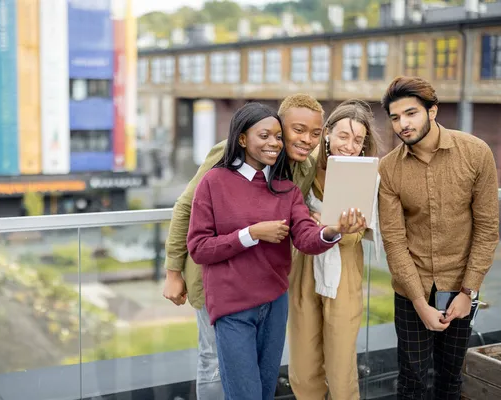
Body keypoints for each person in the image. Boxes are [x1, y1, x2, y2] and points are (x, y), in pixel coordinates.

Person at [186, 102, 366, 400]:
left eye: (278, 137)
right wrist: (251, 234)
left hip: (274, 303)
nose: (274, 143)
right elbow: (199, 248)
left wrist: (333, 231)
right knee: (245, 394)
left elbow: (306, 238)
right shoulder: (213, 182)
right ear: (242, 139)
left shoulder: (287, 188)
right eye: (264, 136)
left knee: (266, 390)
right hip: (233, 306)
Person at [162, 93, 324, 399]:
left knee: (256, 370)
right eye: (297, 130)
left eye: (315, 134)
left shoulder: (303, 167)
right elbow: (186, 207)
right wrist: (173, 271)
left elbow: (295, 211)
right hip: (217, 276)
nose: (306, 140)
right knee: (214, 360)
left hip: (264, 283)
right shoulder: (229, 155)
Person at [378, 76, 499, 399]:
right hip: (411, 289)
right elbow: (393, 241)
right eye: (395, 117)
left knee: (451, 379)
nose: (402, 124)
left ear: (432, 111)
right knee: (412, 381)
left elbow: (488, 229)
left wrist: (467, 291)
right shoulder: (388, 169)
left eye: (411, 113)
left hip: (459, 286)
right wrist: (420, 303)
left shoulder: (476, 153)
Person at [287, 99, 381, 399]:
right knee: (303, 367)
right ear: (327, 133)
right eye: (343, 136)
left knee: (341, 369)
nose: (350, 146)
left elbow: (361, 233)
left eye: (358, 140)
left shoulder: (368, 175)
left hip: (344, 273)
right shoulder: (304, 167)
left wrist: (336, 227)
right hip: (304, 267)